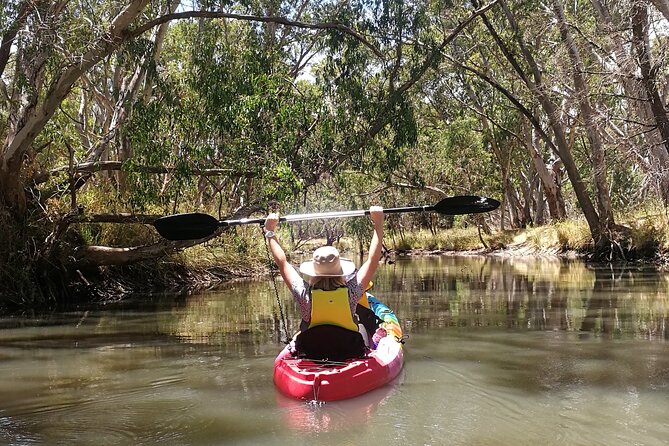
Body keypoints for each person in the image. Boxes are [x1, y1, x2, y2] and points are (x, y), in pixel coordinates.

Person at [263, 206, 384, 360]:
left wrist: (270, 232)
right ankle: (374, 343)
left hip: (312, 350)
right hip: (349, 349)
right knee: (361, 325)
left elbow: (283, 264)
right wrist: (378, 224)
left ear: (313, 272)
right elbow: (373, 260)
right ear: (340, 270)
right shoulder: (352, 291)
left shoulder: (304, 293)